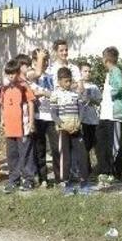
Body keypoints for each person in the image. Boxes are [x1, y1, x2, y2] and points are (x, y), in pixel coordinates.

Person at [50, 67, 92, 195]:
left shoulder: (75, 94)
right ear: (59, 81)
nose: (68, 84)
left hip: (76, 129)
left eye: (70, 81)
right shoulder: (55, 94)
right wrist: (62, 124)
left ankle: (84, 183)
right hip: (64, 130)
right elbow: (53, 113)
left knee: (83, 154)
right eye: (65, 81)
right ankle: (66, 184)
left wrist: (78, 123)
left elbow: (81, 109)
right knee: (65, 157)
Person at [1, 59, 36, 193]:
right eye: (8, 73)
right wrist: (3, 120)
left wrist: (31, 123)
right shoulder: (4, 89)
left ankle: (28, 179)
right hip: (10, 128)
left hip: (23, 127)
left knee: (26, 154)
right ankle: (14, 180)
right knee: (12, 155)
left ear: (18, 72)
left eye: (13, 73)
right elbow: (2, 106)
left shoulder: (23, 87)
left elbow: (31, 103)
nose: (11, 76)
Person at [28, 47, 59, 187]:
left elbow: (54, 93)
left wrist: (45, 93)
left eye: (47, 60)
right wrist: (42, 93)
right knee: (39, 149)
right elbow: (33, 92)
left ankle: (60, 178)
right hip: (38, 115)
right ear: (34, 60)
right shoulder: (30, 73)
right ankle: (43, 178)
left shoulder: (51, 75)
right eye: (42, 59)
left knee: (56, 148)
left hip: (51, 116)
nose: (45, 62)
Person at [96, 47, 122, 183]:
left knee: (116, 145)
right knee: (104, 144)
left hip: (115, 115)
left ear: (106, 59)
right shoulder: (109, 73)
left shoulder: (116, 71)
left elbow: (120, 85)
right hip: (105, 115)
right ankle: (105, 170)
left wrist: (112, 94)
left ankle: (115, 173)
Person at [78, 62, 101, 170]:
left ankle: (95, 166)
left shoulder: (94, 86)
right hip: (82, 119)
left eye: (89, 71)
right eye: (85, 71)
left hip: (93, 119)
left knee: (93, 143)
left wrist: (91, 99)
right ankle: (86, 168)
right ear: (80, 72)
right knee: (84, 144)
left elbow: (99, 100)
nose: (87, 73)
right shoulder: (76, 85)